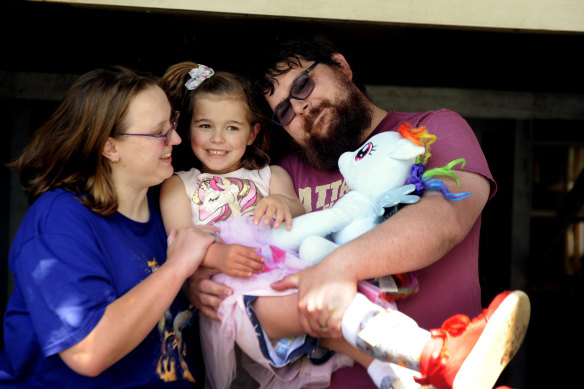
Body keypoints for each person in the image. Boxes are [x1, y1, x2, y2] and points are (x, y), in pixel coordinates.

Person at [186, 36, 530, 389]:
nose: (300, 108)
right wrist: (204, 281)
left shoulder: (430, 131)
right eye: (284, 111)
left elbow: (445, 220)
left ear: (342, 67)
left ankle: (434, 355)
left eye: (303, 85)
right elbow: (249, 257)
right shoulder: (281, 176)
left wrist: (336, 268)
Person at [158, 62, 410, 389]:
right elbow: (179, 244)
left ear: (253, 132)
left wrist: (280, 203)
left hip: (276, 277)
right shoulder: (180, 185)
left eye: (232, 128)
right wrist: (216, 258)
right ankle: (418, 350)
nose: (217, 139)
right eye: (205, 125)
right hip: (229, 299)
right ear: (187, 127)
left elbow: (297, 211)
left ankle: (398, 370)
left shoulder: (271, 175)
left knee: (325, 314)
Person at [0, 66, 215, 388]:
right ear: (109, 147)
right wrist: (177, 269)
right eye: (159, 132)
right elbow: (89, 351)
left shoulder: (173, 206)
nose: (177, 138)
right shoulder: (59, 221)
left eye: (172, 122)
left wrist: (194, 287)